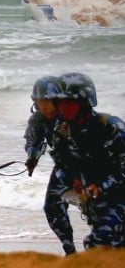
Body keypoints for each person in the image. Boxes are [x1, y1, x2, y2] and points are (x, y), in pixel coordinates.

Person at [51, 72, 125, 249]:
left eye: (69, 102)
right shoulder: (62, 132)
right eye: (60, 102)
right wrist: (72, 179)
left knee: (97, 244)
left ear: (84, 101)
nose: (64, 107)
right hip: (97, 204)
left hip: (118, 198)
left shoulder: (110, 127)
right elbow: (62, 166)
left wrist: (101, 186)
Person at [23, 75, 76, 255]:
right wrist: (32, 157)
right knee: (52, 209)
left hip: (94, 165)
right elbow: (34, 141)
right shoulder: (38, 119)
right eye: (40, 101)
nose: (44, 105)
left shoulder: (75, 115)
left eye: (47, 101)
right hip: (64, 166)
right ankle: (70, 252)